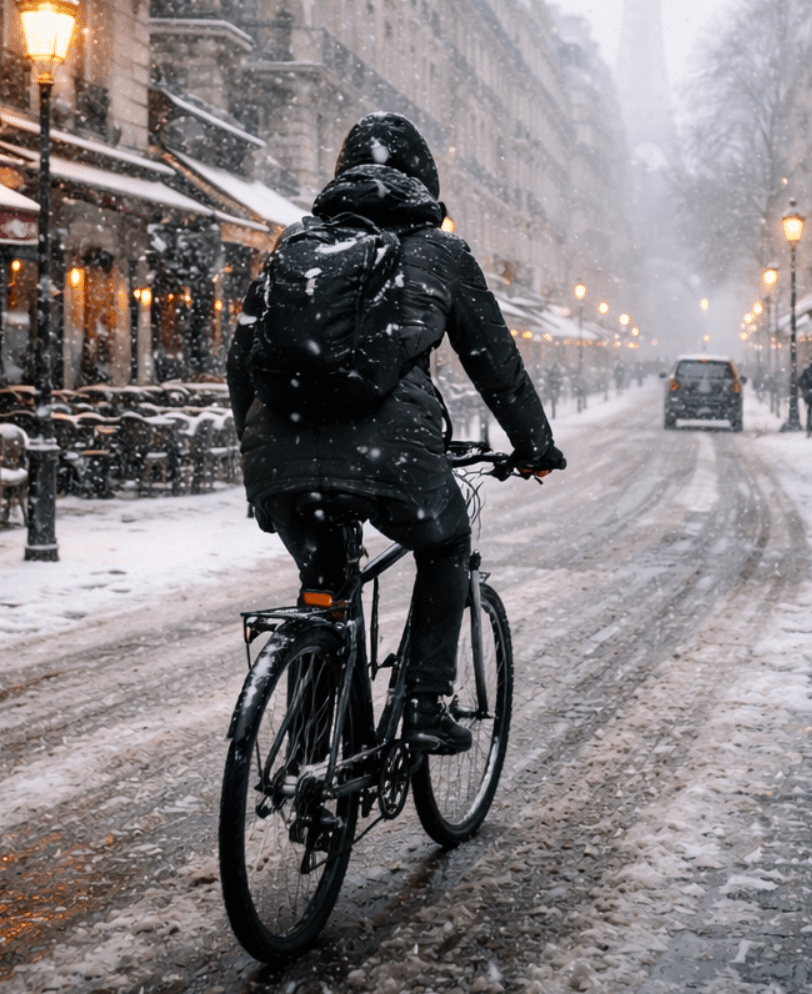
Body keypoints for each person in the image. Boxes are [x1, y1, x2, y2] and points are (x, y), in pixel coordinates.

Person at [227, 113, 565, 753]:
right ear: (423, 181)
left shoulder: (298, 244)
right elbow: (497, 365)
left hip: (281, 455)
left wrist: (258, 465)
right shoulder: (441, 252)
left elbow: (240, 360)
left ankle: (309, 749)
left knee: (325, 586)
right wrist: (534, 445)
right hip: (394, 457)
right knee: (445, 544)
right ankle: (423, 702)